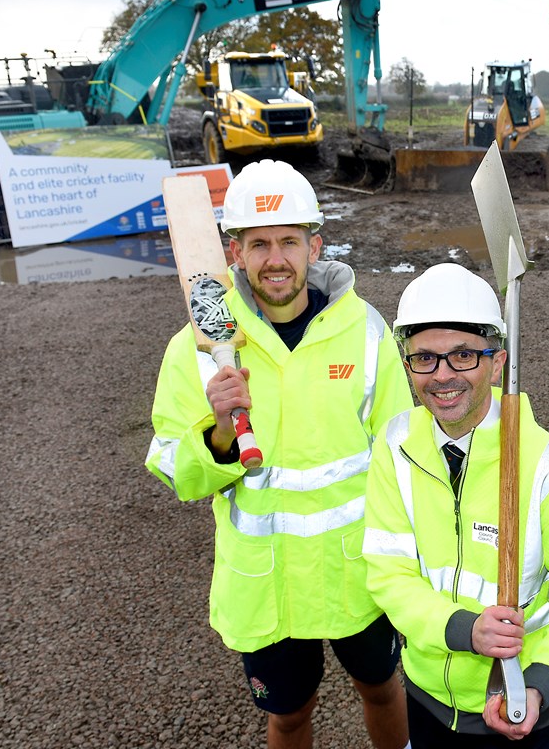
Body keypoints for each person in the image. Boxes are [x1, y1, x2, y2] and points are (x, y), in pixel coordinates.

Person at [145, 159, 413, 749]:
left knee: (384, 688)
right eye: (258, 243)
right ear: (233, 252)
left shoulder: (366, 331)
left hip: (357, 575)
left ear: (314, 246)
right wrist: (217, 433)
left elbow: (401, 450)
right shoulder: (198, 346)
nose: (275, 259)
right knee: (290, 717)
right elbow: (172, 467)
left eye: (289, 241)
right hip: (266, 586)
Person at [363, 263, 549, 748]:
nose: (443, 376)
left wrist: (541, 684)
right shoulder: (393, 446)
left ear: (497, 363)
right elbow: (387, 572)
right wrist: (463, 630)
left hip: (522, 705)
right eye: (425, 359)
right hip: (427, 697)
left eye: (463, 356)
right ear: (406, 363)